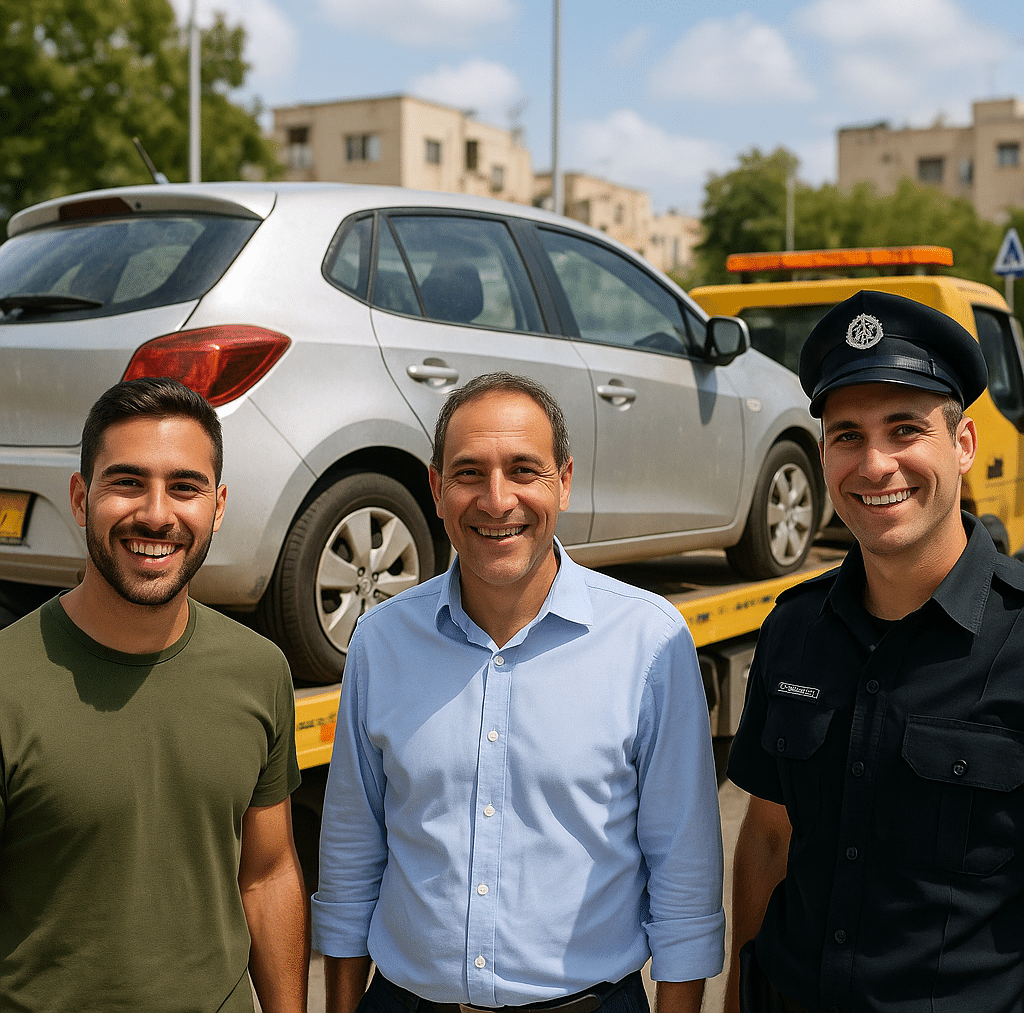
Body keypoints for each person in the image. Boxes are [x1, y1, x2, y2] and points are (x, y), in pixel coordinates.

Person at [312, 371, 724, 1013]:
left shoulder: (647, 640)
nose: (496, 500)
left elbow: (684, 872)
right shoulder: (381, 640)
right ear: (437, 488)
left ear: (563, 480)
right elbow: (351, 853)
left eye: (523, 470)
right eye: (470, 472)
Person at [725, 290, 1024, 1013]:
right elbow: (767, 838)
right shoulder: (795, 628)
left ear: (963, 445)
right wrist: (736, 997)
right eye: (847, 435)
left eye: (904, 429)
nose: (876, 464)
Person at [0, 377, 309, 1013]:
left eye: (185, 487)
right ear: (81, 499)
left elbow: (268, 872)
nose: (157, 514)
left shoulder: (259, 670)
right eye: (128, 482)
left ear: (218, 506)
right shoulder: (8, 679)